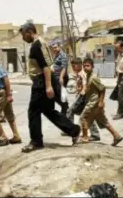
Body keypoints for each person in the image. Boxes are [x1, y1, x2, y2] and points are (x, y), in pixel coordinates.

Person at [19, 22, 80, 153]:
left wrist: (48, 86)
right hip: (44, 81)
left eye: (24, 35)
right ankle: (73, 130)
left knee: (33, 111)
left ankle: (36, 141)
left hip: (41, 82)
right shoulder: (41, 42)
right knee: (48, 111)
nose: (23, 38)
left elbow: (45, 66)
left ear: (29, 31)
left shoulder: (36, 45)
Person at [78, 58, 123, 146]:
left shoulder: (94, 77)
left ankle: (85, 137)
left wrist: (101, 102)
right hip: (93, 103)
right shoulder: (88, 76)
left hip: (94, 103)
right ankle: (116, 136)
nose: (85, 67)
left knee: (83, 118)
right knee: (103, 120)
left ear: (92, 66)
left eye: (87, 66)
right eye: (84, 66)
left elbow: (102, 89)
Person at [0, 49, 22, 147]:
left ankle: (2, 136)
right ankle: (16, 136)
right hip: (1, 93)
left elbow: (6, 80)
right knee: (9, 115)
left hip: (2, 93)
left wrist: (9, 94)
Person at [63, 57, 101, 141]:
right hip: (84, 97)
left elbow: (84, 86)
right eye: (72, 65)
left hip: (83, 97)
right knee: (86, 115)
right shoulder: (80, 73)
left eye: (74, 65)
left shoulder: (82, 74)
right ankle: (95, 134)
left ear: (79, 65)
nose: (73, 67)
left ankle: (70, 129)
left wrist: (81, 96)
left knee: (70, 111)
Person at [51, 42, 69, 116]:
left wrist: (61, 77)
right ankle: (65, 107)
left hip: (61, 78)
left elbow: (64, 67)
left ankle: (65, 109)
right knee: (55, 95)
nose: (54, 49)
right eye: (53, 48)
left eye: (55, 47)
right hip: (56, 77)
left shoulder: (63, 55)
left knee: (61, 95)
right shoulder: (56, 55)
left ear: (59, 47)